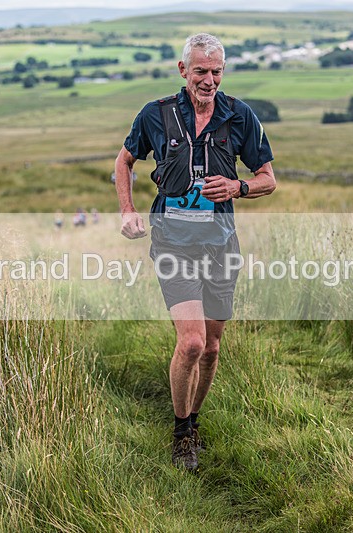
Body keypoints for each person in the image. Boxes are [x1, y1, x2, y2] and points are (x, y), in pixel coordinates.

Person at [114, 33, 276, 471]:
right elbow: (124, 161)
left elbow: (268, 178)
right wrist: (128, 212)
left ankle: (195, 422)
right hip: (172, 243)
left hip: (221, 245)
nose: (209, 80)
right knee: (191, 343)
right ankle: (181, 433)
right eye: (201, 71)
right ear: (184, 70)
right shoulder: (156, 115)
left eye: (216, 71)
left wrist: (239, 187)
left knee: (212, 347)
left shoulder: (240, 116)